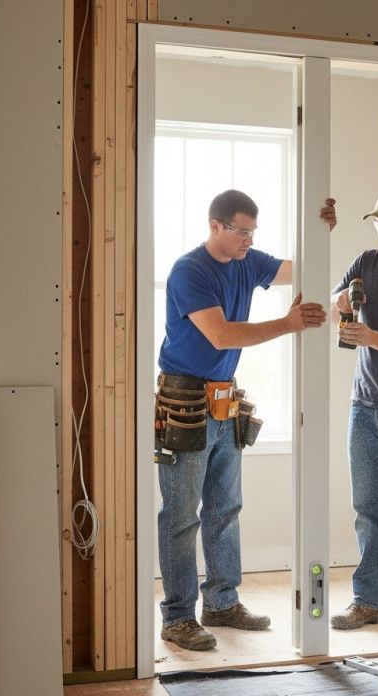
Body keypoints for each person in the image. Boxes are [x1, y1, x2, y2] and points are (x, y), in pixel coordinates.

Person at [157, 189, 337, 651]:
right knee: (181, 515)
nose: (248, 241)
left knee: (224, 509)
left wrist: (323, 231)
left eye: (253, 233)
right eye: (241, 231)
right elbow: (220, 336)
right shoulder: (189, 271)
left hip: (223, 401)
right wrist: (289, 323)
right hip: (185, 401)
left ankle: (221, 602)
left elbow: (300, 269)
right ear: (215, 225)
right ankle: (178, 617)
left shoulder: (247, 261)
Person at [330, 188, 378, 631]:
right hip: (364, 403)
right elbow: (336, 296)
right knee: (367, 505)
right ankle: (371, 601)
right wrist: (340, 301)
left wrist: (371, 338)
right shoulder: (366, 263)